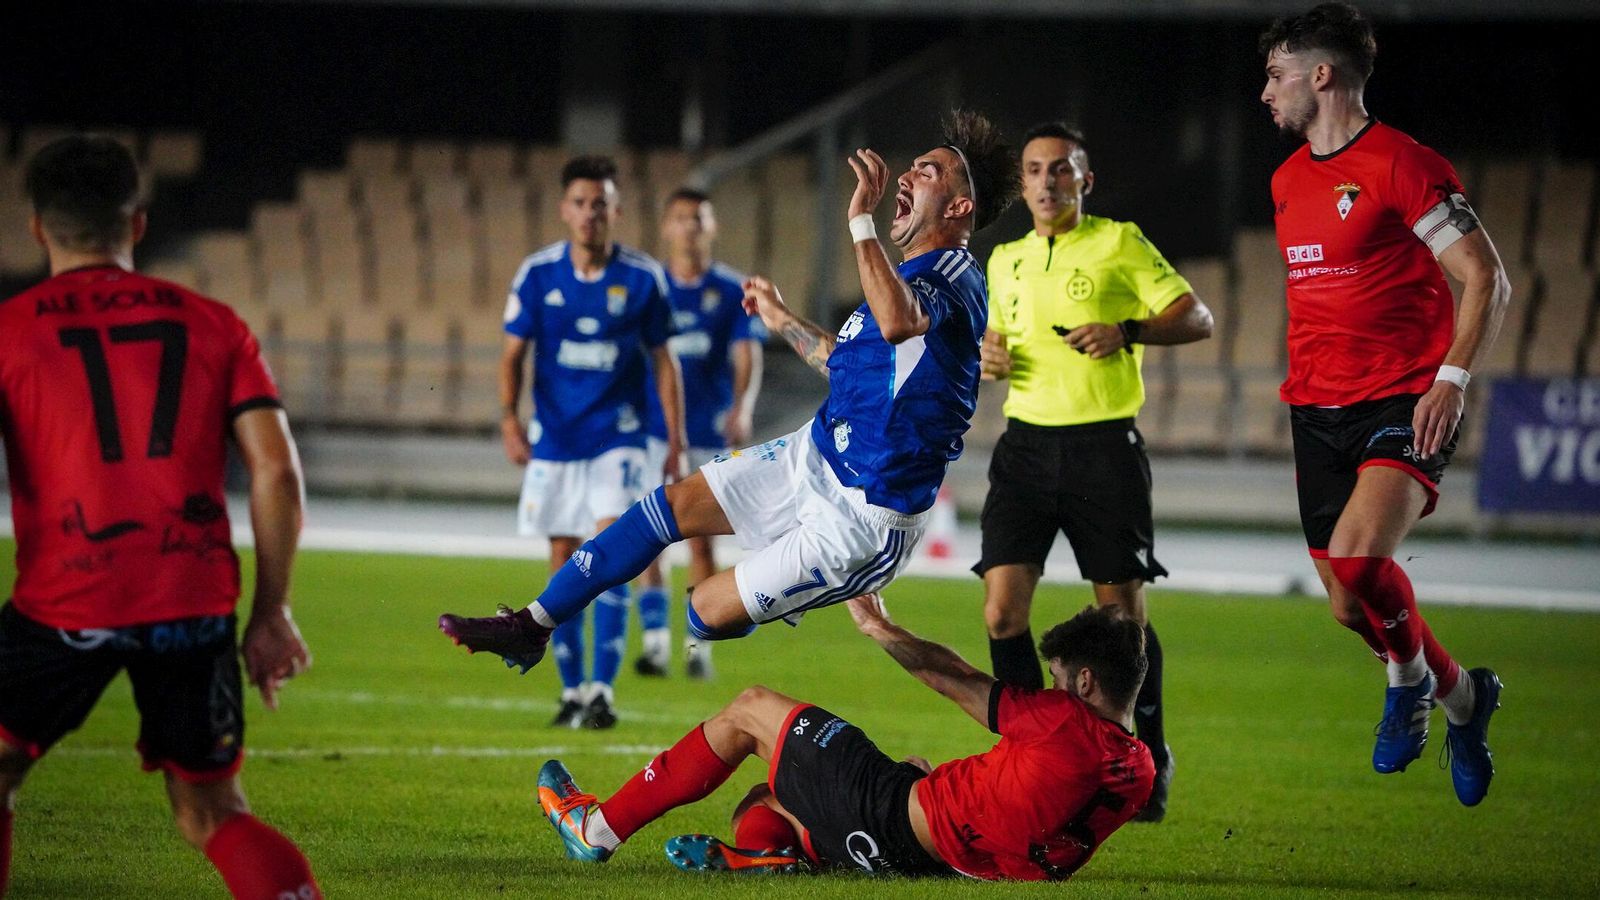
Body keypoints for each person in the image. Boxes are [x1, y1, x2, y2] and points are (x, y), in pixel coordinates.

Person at [440, 111, 1020, 668]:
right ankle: (530, 627)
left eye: (929, 171)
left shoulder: (953, 274)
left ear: (960, 205)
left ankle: (801, 586)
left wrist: (860, 220)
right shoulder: (901, 281)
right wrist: (782, 317)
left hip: (865, 513)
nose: (909, 173)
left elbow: (899, 322)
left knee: (703, 611)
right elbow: (844, 363)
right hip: (815, 454)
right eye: (914, 164)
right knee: (662, 508)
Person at [0, 136, 319, 898]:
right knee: (212, 809)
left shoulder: (11, 329)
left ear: (38, 227)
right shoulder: (213, 323)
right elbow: (275, 469)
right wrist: (271, 611)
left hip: (64, 600)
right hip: (192, 601)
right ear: (137, 224)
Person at [1259, 2, 1511, 805]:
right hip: (1316, 410)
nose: (1265, 92)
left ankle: (1407, 685)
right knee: (1344, 603)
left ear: (1321, 76)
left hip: (1404, 398)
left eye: (1275, 75)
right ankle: (1465, 699)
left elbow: (1485, 277)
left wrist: (1452, 380)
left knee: (1366, 562)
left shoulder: (1405, 163)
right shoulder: (1287, 179)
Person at [532, 595, 1154, 880]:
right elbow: (1037, 799)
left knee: (750, 711)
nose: (1049, 687)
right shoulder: (1138, 768)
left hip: (892, 815)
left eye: (1059, 678)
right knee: (765, 802)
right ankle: (770, 857)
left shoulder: (1062, 721)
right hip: (948, 861)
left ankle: (596, 829)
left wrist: (879, 627)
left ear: (1088, 681)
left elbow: (955, 678)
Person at [976, 122, 1214, 822]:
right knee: (1000, 612)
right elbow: (995, 346)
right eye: (1034, 171)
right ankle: (1029, 756)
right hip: (1023, 449)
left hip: (1103, 450)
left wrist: (1129, 330)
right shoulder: (1006, 261)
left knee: (1122, 621)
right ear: (1020, 185)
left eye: (1061, 170)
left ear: (1086, 181)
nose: (1047, 182)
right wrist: (988, 360)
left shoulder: (1119, 243)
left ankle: (1150, 752)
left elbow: (1196, 316)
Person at [488, 155, 687, 729]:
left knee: (608, 554)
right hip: (554, 440)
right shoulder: (537, 275)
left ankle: (602, 689)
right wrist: (507, 418)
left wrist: (672, 440)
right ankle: (573, 692)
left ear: (615, 211)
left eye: (600, 203)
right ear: (563, 209)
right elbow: (512, 354)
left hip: (619, 438)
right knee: (562, 565)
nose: (589, 213)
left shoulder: (643, 277)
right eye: (579, 202)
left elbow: (663, 361)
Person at [634, 188, 767, 681]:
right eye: (681, 218)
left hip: (709, 434)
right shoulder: (650, 288)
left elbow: (746, 353)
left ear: (711, 227)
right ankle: (653, 647)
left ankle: (696, 648)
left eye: (699, 218)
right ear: (667, 227)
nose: (690, 227)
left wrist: (743, 405)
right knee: (647, 540)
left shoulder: (731, 290)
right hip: (653, 433)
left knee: (700, 543)